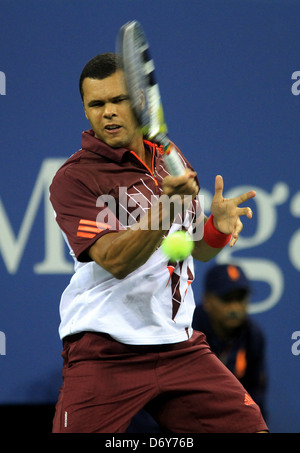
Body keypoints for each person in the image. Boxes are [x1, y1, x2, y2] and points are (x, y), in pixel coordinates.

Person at [49, 53, 268, 433]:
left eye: (118, 100)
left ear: (139, 100)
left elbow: (194, 246)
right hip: (106, 352)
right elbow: (115, 260)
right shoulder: (73, 179)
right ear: (85, 111)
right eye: (96, 105)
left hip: (179, 347)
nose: (108, 113)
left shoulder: (169, 157)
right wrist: (166, 207)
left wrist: (215, 227)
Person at [192, 263, 268, 420]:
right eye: (226, 299)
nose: (235, 308)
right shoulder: (185, 331)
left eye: (240, 299)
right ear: (207, 300)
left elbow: (254, 397)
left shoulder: (253, 336)